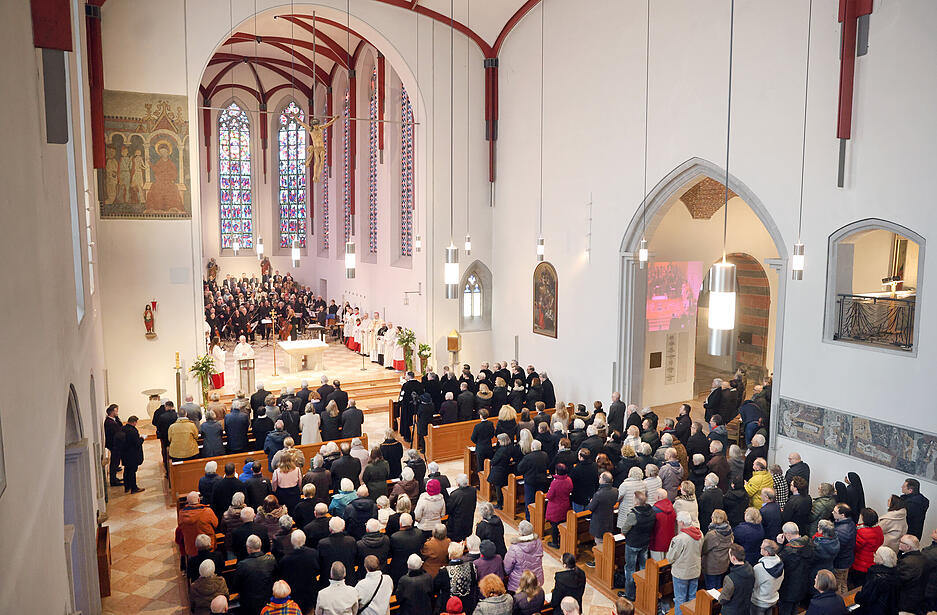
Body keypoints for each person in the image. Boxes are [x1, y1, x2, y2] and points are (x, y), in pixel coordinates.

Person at [618, 490, 655, 600]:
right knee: (643, 567)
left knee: (630, 568)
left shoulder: (634, 515)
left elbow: (624, 529)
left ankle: (630, 594)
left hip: (633, 544)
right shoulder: (651, 511)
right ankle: (643, 590)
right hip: (645, 542)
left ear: (636, 501)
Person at [668, 510, 703, 615]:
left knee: (680, 599)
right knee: (692, 597)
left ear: (682, 523)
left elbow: (670, 558)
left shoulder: (679, 539)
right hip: (695, 570)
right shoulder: (700, 533)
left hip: (681, 573)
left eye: (678, 521)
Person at [777, 522, 814, 615]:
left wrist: (780, 546)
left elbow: (778, 565)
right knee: (795, 609)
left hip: (788, 588)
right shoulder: (809, 542)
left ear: (788, 534)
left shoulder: (788, 550)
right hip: (803, 584)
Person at [234, 534, 276, 615]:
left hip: (249, 604)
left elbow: (236, 586)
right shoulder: (271, 560)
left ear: (248, 548)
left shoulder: (242, 565)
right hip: (268, 600)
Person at [278, 530, 319, 613]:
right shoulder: (313, 554)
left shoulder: (285, 560)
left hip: (294, 597)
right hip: (310, 594)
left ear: (292, 542)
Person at [853, 546, 899, 615]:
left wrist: (857, 596)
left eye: (876, 554)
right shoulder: (895, 573)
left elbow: (866, 597)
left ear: (882, 560)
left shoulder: (877, 577)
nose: (874, 555)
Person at [317, 516, 359, 586]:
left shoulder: (323, 543)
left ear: (330, 529)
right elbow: (356, 559)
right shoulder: (351, 541)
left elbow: (320, 563)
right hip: (349, 580)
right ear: (343, 528)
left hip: (328, 581)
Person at [503, 520, 544, 591]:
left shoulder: (514, 548)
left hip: (520, 582)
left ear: (520, 532)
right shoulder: (538, 542)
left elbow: (507, 568)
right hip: (536, 578)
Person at [179, 491, 219, 557]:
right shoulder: (207, 511)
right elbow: (216, 524)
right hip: (207, 547)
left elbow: (180, 527)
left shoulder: (181, 514)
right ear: (199, 500)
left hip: (191, 548)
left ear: (187, 502)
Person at [718, 543, 755, 615]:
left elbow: (723, 600)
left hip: (731, 611)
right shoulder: (750, 569)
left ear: (733, 558)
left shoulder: (730, 578)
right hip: (745, 609)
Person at [586, 472, 619, 553]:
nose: (599, 478)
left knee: (599, 542)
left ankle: (599, 561)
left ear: (603, 480)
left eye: (600, 477)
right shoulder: (615, 491)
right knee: (605, 540)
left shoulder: (599, 494)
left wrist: (591, 502)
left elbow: (590, 508)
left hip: (599, 521)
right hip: (609, 518)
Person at [851, 508, 884, 587]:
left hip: (860, 564)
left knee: (858, 585)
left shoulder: (862, 532)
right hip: (873, 561)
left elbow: (854, 547)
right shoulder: (878, 529)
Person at [702, 509, 733, 589]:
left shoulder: (712, 535)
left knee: (711, 589)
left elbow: (704, 549)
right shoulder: (729, 530)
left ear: (714, 519)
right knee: (719, 586)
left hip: (712, 566)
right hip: (723, 564)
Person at [896, 533, 928, 614]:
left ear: (908, 547)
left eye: (901, 542)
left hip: (906, 600)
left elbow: (899, 581)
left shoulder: (906, 562)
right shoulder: (923, 557)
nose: (899, 543)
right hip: (919, 596)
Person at [752, 539, 785, 615]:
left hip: (760, 602)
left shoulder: (760, 568)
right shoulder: (779, 563)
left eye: (762, 547)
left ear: (767, 552)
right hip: (772, 599)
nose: (760, 547)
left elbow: (754, 585)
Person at [389, 513, 424, 583]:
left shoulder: (395, 537)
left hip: (398, 569)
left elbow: (391, 553)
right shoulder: (419, 533)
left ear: (400, 523)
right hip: (416, 568)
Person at [118, 415, 145, 493]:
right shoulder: (133, 431)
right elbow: (137, 443)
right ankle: (134, 488)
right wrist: (142, 439)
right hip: (132, 455)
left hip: (125, 453)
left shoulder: (123, 428)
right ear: (133, 422)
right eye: (136, 422)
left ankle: (127, 487)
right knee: (132, 471)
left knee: (126, 470)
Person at [447, 474, 477, 541]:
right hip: (469, 521)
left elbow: (449, 509)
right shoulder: (473, 490)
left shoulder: (455, 494)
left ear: (458, 484)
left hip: (456, 525)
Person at [103, 404, 123, 486]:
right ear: (112, 412)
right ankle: (113, 481)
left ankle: (114, 478)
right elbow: (117, 432)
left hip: (115, 445)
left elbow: (120, 426)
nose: (117, 412)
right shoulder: (110, 423)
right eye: (116, 411)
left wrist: (117, 418)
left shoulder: (113, 420)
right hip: (114, 445)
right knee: (114, 462)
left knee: (116, 461)